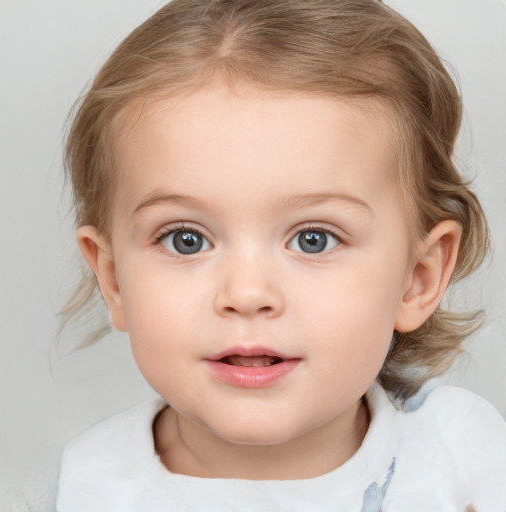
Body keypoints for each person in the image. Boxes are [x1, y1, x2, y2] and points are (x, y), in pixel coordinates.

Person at [56, 0, 506, 510]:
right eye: (186, 239)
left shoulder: (465, 464)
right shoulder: (92, 485)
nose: (247, 294)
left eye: (314, 238)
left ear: (417, 279)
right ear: (113, 279)